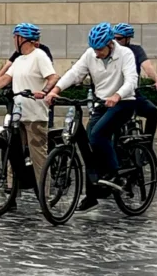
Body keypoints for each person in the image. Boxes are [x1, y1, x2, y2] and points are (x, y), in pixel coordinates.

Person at [45, 23, 138, 204]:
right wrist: (55, 90)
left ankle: (115, 173)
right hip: (102, 103)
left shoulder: (125, 54)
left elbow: (132, 80)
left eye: (100, 49)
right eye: (94, 49)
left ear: (110, 44)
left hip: (124, 103)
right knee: (88, 145)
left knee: (98, 135)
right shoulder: (90, 54)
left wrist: (117, 95)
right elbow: (74, 73)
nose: (97, 53)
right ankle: (92, 194)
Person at [0, 23, 57, 201]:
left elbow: (53, 77)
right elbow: (5, 78)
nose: (14, 41)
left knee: (39, 157)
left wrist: (44, 91)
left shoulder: (39, 56)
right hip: (18, 114)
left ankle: (44, 196)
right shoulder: (20, 60)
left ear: (23, 39)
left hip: (35, 115)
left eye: (15, 37)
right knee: (13, 153)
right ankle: (12, 191)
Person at [112, 23, 157, 136]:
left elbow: (147, 66)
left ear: (128, 39)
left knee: (153, 112)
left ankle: (147, 145)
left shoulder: (136, 50)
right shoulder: (109, 51)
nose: (115, 41)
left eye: (119, 38)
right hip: (113, 95)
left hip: (133, 94)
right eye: (113, 38)